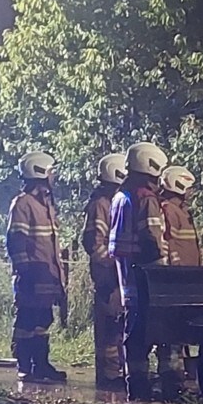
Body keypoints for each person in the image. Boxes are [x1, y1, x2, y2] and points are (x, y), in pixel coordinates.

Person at [109, 142, 168, 401]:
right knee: (150, 332)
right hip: (146, 277)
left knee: (133, 333)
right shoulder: (145, 198)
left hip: (127, 278)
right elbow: (152, 240)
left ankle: (135, 386)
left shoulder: (121, 196)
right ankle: (146, 389)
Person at [5, 151, 67, 383]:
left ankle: (40, 364)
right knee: (27, 320)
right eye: (51, 171)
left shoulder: (46, 205)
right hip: (32, 274)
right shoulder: (23, 204)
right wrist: (25, 270)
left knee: (43, 320)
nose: (53, 176)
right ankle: (24, 364)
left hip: (47, 274)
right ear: (40, 172)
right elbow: (16, 240)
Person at [154, 166, 202, 395]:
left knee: (180, 329)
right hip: (176, 279)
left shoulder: (180, 210)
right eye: (189, 187)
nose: (192, 192)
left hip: (187, 278)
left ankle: (177, 377)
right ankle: (170, 380)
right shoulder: (168, 210)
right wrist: (174, 272)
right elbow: (168, 244)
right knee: (171, 331)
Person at [82, 153, 127, 387]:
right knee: (109, 328)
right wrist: (111, 268)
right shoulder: (101, 204)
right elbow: (93, 242)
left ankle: (116, 372)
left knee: (118, 326)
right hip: (107, 278)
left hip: (117, 277)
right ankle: (109, 376)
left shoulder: (114, 201)